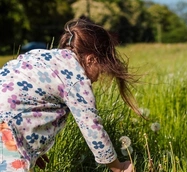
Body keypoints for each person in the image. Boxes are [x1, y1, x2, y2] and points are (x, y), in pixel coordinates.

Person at [0, 18, 140, 171]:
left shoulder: (42, 56)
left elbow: (23, 95)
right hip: (8, 128)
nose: (99, 76)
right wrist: (118, 167)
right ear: (91, 59)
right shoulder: (76, 79)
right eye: (101, 68)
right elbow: (92, 128)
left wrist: (30, 146)